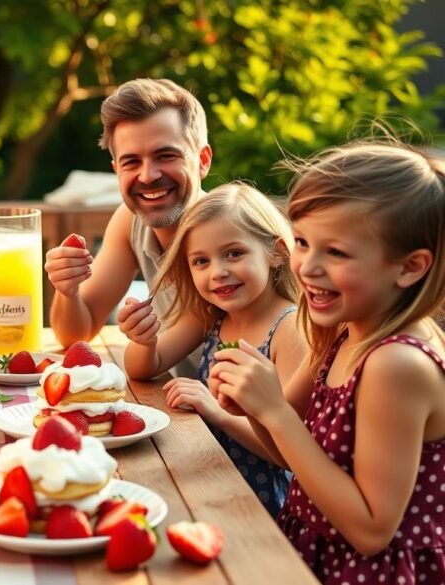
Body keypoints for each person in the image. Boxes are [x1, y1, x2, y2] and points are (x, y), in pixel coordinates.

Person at [209, 141, 445, 583]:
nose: (307, 267)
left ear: (410, 267)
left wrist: (274, 410)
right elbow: (287, 454)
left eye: (335, 252)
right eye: (302, 242)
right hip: (313, 551)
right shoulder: (342, 332)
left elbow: (372, 528)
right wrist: (255, 406)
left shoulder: (397, 364)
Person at [117, 182, 304, 516]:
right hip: (209, 487)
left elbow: (288, 448)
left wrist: (215, 410)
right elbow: (144, 367)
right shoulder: (211, 315)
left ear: (276, 252)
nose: (218, 272)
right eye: (201, 261)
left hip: (262, 507)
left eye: (234, 253)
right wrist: (144, 341)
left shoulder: (288, 329)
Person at [45, 78, 212, 377]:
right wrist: (67, 290)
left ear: (202, 160)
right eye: (131, 162)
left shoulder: (224, 234)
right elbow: (76, 335)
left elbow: (148, 365)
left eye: (166, 156)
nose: (148, 176)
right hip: (187, 410)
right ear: (116, 170)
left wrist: (144, 343)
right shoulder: (130, 221)